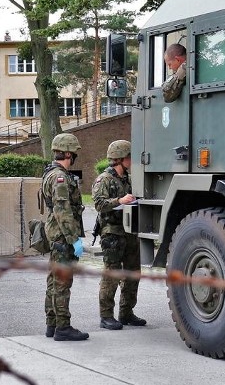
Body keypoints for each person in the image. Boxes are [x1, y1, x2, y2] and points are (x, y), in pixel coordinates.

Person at [92, 140, 146, 329]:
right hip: (112, 233)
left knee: (133, 273)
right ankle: (106, 316)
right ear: (120, 158)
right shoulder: (104, 179)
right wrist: (119, 200)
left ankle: (126, 312)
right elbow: (98, 204)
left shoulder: (128, 179)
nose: (131, 160)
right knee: (112, 275)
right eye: (129, 157)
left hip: (130, 232)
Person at [41, 133, 89, 342]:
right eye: (74, 153)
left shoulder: (50, 173)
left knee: (53, 280)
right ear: (68, 153)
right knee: (62, 282)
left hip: (56, 236)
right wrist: (74, 239)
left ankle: (52, 324)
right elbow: (63, 210)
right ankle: (63, 327)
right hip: (62, 237)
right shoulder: (59, 177)